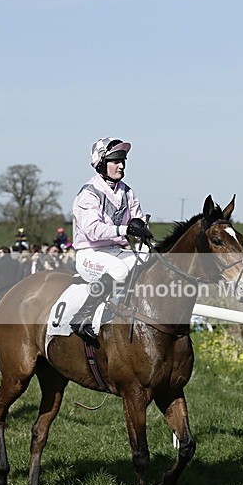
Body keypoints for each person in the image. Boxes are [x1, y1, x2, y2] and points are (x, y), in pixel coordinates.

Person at [71, 137, 152, 339]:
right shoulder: (89, 193)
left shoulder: (127, 191)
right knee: (119, 270)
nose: (121, 166)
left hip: (117, 251)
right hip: (90, 253)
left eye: (123, 161)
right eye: (116, 161)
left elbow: (138, 219)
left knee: (150, 262)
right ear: (101, 164)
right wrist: (126, 229)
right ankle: (82, 318)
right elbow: (93, 230)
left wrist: (142, 227)